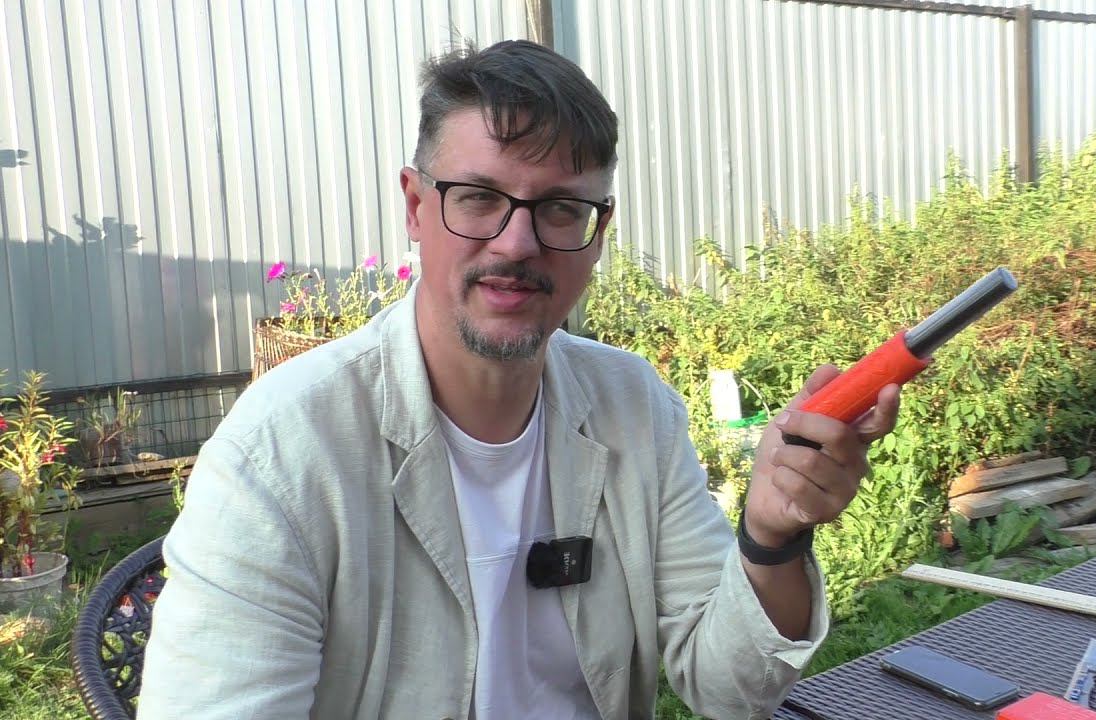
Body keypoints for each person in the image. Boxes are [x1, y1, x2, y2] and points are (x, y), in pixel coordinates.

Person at [137, 39, 899, 720]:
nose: (517, 243)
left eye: (560, 208)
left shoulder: (636, 412)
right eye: (479, 198)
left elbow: (729, 690)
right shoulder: (281, 453)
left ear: (599, 231)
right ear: (416, 205)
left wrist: (770, 535)